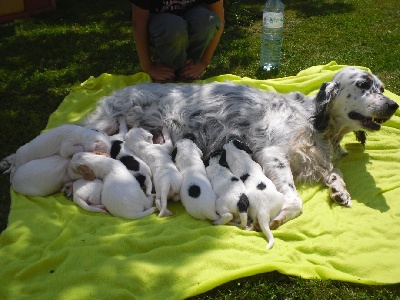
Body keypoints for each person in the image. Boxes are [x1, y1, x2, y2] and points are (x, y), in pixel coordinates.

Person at [130, 0, 225, 82]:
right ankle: (169, 70)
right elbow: (139, 25)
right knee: (174, 27)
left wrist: (203, 63)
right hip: (162, 24)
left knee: (208, 21)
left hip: (192, 17)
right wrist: (148, 67)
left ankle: (189, 69)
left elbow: (219, 19)